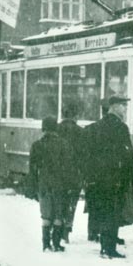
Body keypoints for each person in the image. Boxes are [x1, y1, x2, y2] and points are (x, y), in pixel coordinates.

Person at [85, 95, 133, 258]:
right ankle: (109, 248)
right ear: (113, 107)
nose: (125, 109)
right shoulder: (121, 128)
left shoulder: (95, 127)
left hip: (98, 178)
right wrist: (132, 175)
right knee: (113, 212)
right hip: (116, 177)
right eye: (123, 106)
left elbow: (87, 154)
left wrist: (90, 176)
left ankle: (104, 245)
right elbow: (127, 154)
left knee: (103, 210)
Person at [28, 117, 73, 252]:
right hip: (60, 184)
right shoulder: (64, 144)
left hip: (44, 183)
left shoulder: (37, 145)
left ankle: (46, 244)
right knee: (58, 215)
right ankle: (56, 243)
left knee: (46, 215)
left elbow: (32, 168)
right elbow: (68, 167)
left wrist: (34, 185)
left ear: (43, 128)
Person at [82, 98, 110, 242]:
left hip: (93, 173)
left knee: (93, 203)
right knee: (106, 203)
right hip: (107, 173)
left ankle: (92, 232)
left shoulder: (91, 129)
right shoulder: (113, 129)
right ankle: (104, 233)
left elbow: (85, 153)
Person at [57, 103, 84, 243]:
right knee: (71, 201)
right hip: (74, 173)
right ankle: (66, 229)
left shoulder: (56, 129)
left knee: (59, 199)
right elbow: (84, 154)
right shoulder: (80, 131)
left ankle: (57, 226)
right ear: (75, 116)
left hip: (58, 172)